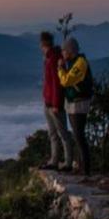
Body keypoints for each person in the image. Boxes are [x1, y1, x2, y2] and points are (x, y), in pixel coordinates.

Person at [58, 37, 94, 175]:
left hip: (80, 102)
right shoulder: (72, 62)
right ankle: (81, 168)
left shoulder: (80, 63)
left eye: (64, 50)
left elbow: (66, 81)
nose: (62, 53)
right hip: (73, 101)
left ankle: (86, 171)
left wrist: (60, 68)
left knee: (79, 136)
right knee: (77, 136)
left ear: (70, 50)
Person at [39, 31, 73, 171]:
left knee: (62, 133)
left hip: (53, 103)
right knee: (53, 133)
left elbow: (56, 83)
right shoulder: (49, 58)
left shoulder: (53, 59)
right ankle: (54, 160)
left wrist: (56, 104)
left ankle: (68, 162)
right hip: (48, 101)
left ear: (43, 44)